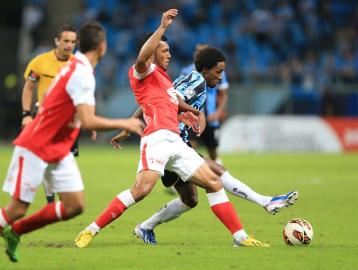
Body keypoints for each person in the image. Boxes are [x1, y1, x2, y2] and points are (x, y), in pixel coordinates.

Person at [74, 9, 269, 249]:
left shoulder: (165, 80)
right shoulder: (143, 71)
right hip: (156, 139)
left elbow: (171, 103)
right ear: (152, 49)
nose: (169, 54)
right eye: (164, 50)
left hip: (175, 141)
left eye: (168, 50)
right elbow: (142, 57)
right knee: (141, 190)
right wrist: (163, 27)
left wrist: (195, 111)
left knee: (213, 182)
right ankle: (90, 230)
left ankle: (240, 236)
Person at [0, 21, 144, 270]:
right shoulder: (81, 73)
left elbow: (53, 99)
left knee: (75, 205)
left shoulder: (75, 67)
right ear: (102, 47)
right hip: (35, 145)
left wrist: (69, 119)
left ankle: (15, 233)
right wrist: (125, 122)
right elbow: (88, 119)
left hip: (58, 146)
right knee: (16, 209)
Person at [110, 46, 298, 244]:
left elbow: (155, 101)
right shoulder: (197, 81)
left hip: (171, 145)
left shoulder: (192, 81)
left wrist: (128, 127)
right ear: (205, 70)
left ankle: (145, 227)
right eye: (218, 72)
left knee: (190, 200)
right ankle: (265, 202)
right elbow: (175, 100)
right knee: (217, 172)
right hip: (171, 145)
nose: (220, 77)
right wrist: (195, 113)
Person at [21, 24, 84, 203]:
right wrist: (26, 114)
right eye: (66, 40)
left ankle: (64, 199)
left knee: (66, 161)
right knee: (45, 161)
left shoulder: (78, 65)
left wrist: (87, 120)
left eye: (73, 41)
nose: (69, 45)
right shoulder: (39, 62)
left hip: (70, 120)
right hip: (44, 118)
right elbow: (29, 88)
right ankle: (51, 201)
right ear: (57, 41)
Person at [181, 44, 229, 164]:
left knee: (213, 152)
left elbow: (223, 94)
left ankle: (217, 173)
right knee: (190, 150)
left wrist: (217, 113)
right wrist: (194, 112)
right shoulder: (188, 73)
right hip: (193, 117)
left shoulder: (217, 71)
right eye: (197, 51)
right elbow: (178, 97)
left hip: (210, 117)